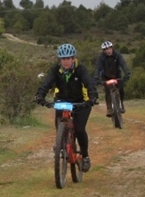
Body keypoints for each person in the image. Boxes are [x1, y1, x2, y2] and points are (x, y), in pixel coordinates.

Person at [35, 43, 99, 171]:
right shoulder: (55, 70)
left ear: (73, 58)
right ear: (60, 60)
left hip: (81, 102)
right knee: (59, 124)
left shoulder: (80, 69)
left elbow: (89, 83)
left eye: (68, 58)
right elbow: (47, 83)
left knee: (79, 129)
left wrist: (92, 98)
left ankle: (85, 156)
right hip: (62, 100)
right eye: (63, 59)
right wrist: (40, 96)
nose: (66, 61)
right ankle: (61, 144)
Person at [94, 40, 131, 116]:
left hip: (117, 75)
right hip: (106, 77)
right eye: (106, 49)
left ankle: (121, 104)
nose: (108, 50)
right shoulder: (101, 58)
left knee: (121, 89)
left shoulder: (117, 55)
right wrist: (96, 78)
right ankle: (109, 108)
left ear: (112, 48)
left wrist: (127, 73)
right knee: (107, 91)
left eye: (110, 48)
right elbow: (98, 68)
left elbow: (123, 64)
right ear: (103, 51)